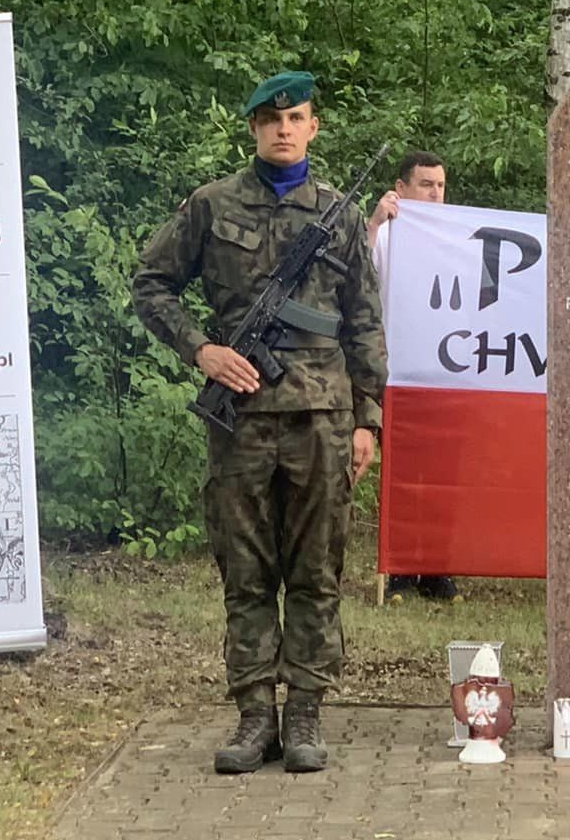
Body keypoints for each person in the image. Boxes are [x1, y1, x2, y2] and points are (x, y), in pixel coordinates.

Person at [132, 70, 386, 775]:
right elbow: (151, 285)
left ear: (313, 126)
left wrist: (369, 419)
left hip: (322, 421)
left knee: (316, 571)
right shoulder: (211, 207)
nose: (283, 129)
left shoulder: (337, 213)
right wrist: (202, 350)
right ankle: (252, 714)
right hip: (240, 419)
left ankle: (304, 710)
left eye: (296, 117)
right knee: (245, 572)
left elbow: (363, 321)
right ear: (252, 128)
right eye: (270, 119)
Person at [368, 152, 459, 603]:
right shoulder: (388, 235)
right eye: (426, 184)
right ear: (401, 189)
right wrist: (372, 226)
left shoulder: (460, 237)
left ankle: (438, 569)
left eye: (440, 185)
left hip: (450, 374)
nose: (435, 193)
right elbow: (356, 280)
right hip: (400, 372)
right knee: (403, 471)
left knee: (444, 472)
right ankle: (402, 567)